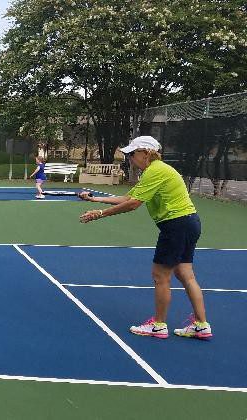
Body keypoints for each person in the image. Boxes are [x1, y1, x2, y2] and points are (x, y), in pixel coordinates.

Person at [79, 135, 212, 340]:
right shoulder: (157, 170)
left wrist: (100, 214)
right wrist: (94, 199)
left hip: (175, 225)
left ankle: (158, 326)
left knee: (160, 275)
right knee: (186, 274)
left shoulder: (155, 171)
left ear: (146, 153)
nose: (131, 158)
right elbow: (127, 197)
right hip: (189, 223)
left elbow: (133, 204)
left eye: (133, 154)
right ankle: (201, 325)